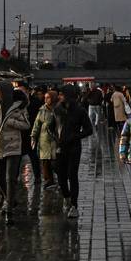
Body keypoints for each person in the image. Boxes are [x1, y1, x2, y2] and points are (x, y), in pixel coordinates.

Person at [0, 82, 31, 224]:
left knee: (10, 178)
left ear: (5, 92)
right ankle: (9, 199)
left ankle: (9, 211)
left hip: (13, 147)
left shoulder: (19, 107)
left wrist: (11, 122)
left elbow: (26, 124)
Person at [54, 84, 92, 218]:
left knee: (72, 175)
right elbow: (54, 126)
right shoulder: (58, 109)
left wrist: (74, 136)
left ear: (68, 96)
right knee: (61, 176)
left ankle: (74, 205)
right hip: (60, 147)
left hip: (74, 148)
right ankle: (67, 196)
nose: (59, 97)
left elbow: (89, 130)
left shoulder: (80, 111)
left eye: (62, 94)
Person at [31, 90, 60, 188]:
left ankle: (61, 178)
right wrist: (33, 136)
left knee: (55, 163)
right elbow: (37, 124)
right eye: (45, 97)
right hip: (44, 140)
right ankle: (49, 180)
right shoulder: (42, 110)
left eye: (48, 97)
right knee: (45, 162)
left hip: (55, 140)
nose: (46, 99)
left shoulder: (58, 109)